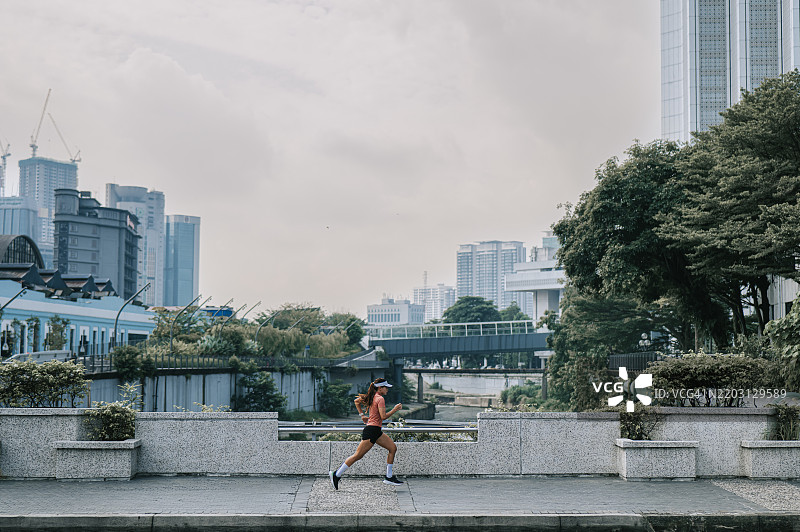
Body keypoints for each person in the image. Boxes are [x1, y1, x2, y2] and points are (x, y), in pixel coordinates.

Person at [329, 378, 403, 489]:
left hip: (376, 431)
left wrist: (362, 416)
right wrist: (395, 409)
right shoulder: (380, 399)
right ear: (380, 388)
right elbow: (383, 417)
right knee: (357, 455)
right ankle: (336, 474)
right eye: (386, 387)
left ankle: (389, 477)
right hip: (371, 431)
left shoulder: (372, 397)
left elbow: (356, 401)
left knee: (392, 448)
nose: (387, 389)